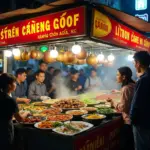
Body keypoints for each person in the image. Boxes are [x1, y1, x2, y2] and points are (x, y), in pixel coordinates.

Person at [108, 66, 135, 150]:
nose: (116, 76)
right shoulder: (133, 84)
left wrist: (113, 103)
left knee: (126, 145)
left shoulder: (126, 88)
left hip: (128, 122)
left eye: (117, 75)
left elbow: (124, 108)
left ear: (123, 77)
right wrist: (119, 92)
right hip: (135, 120)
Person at [0, 73, 29, 149]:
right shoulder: (10, 100)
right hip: (6, 130)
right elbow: (20, 119)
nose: (15, 84)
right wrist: (26, 113)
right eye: (14, 83)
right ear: (9, 85)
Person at [130, 51, 150, 150]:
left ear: (138, 63)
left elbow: (136, 103)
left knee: (141, 147)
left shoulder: (143, 80)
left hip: (142, 122)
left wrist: (132, 118)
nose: (134, 65)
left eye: (134, 62)